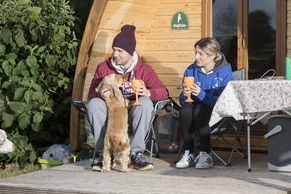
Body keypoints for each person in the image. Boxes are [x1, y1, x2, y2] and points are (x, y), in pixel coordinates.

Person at [86, 25, 168, 171]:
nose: (115, 54)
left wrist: (148, 93)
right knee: (94, 104)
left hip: (132, 115)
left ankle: (136, 153)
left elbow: (163, 92)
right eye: (114, 49)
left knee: (145, 102)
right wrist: (100, 94)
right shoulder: (104, 68)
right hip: (111, 116)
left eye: (120, 51)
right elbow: (91, 92)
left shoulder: (144, 70)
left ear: (131, 52)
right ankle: (105, 155)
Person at [176, 37, 233, 169]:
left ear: (213, 55)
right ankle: (189, 152)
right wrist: (184, 96)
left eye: (201, 54)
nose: (196, 57)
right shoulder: (191, 70)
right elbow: (183, 100)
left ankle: (205, 153)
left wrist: (202, 94)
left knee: (200, 109)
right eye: (196, 53)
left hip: (216, 111)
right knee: (185, 109)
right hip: (193, 107)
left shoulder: (225, 72)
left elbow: (224, 102)